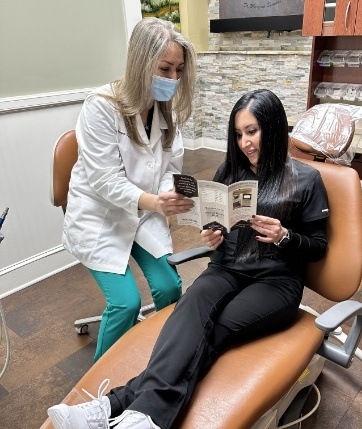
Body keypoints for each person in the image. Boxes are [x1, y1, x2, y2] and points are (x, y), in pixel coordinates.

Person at [48, 89, 330, 429]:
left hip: (275, 282)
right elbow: (220, 224)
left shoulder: (306, 179)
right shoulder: (231, 169)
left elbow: (318, 247)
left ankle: (120, 408)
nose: (245, 143)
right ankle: (131, 414)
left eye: (252, 131)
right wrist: (214, 237)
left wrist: (284, 236)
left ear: (273, 126)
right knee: (189, 317)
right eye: (238, 134)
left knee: (207, 334)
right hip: (227, 268)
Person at [62, 18, 197, 362]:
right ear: (140, 62)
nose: (173, 80)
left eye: (179, 70)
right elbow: (105, 180)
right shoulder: (100, 106)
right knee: (126, 303)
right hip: (100, 218)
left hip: (144, 214)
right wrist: (156, 202)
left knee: (169, 287)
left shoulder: (166, 112)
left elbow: (171, 168)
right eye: (165, 69)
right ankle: (94, 392)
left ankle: (160, 357)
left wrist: (171, 195)